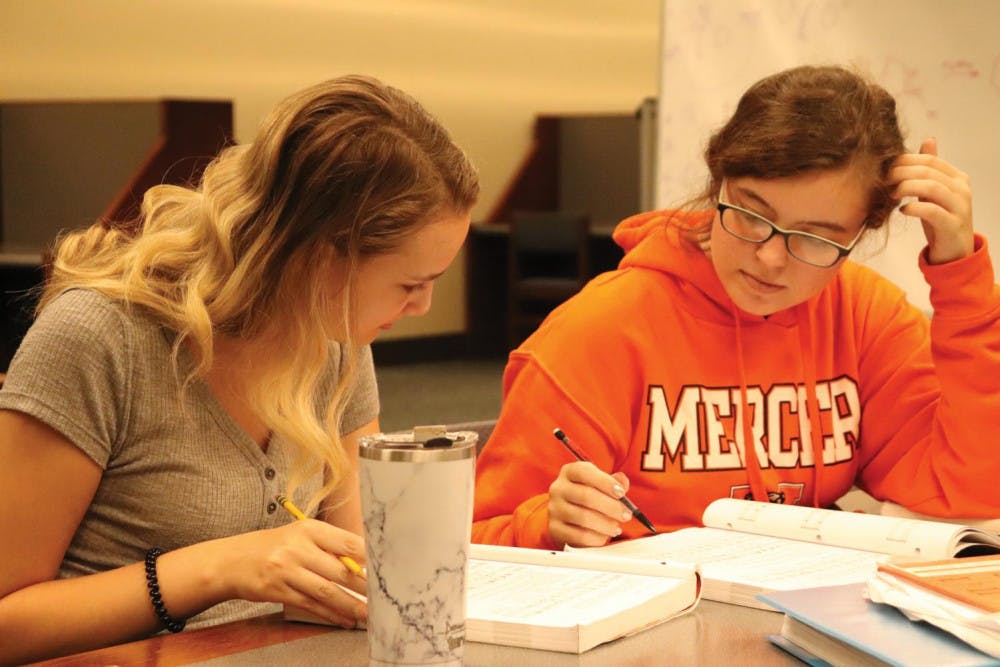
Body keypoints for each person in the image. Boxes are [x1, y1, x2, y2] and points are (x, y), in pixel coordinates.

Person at [0, 74, 478, 663]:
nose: (423, 308)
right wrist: (216, 568)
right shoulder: (100, 338)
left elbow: (361, 564)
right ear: (314, 254)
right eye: (410, 284)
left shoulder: (335, 338)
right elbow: (6, 621)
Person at [472, 64, 998, 550]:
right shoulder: (600, 331)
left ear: (863, 231)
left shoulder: (865, 317)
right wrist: (543, 524)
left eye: (816, 239)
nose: (770, 258)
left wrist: (960, 279)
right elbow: (474, 536)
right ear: (718, 180)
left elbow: (967, 491)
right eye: (750, 214)